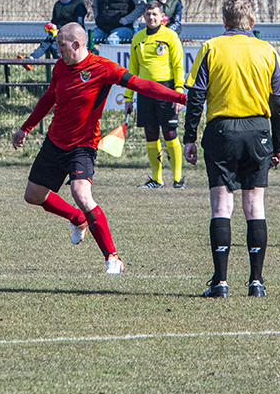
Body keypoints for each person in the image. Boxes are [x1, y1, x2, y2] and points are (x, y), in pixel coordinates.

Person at [12, 23, 187, 274]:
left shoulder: (103, 68)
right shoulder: (61, 66)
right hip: (54, 142)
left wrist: (181, 97)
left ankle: (113, 258)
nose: (58, 50)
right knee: (33, 196)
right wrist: (25, 128)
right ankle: (78, 219)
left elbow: (140, 84)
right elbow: (49, 97)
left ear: (76, 44)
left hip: (83, 145)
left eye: (61, 45)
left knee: (81, 195)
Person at [183, 0, 280, 298]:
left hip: (222, 132)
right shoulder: (267, 50)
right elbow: (279, 104)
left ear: (224, 21)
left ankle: (220, 282)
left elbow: (196, 96)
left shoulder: (211, 48)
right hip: (258, 131)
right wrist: (277, 145)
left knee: (222, 206)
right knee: (254, 206)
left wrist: (189, 137)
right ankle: (256, 282)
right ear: (252, 22)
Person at [124, 0, 185, 189]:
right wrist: (128, 97)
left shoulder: (171, 36)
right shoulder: (138, 38)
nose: (151, 17)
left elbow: (178, 66)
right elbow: (132, 69)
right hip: (144, 90)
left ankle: (178, 179)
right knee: (150, 133)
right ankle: (157, 179)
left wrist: (179, 92)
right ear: (144, 15)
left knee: (169, 132)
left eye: (155, 14)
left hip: (166, 90)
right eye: (148, 14)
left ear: (162, 17)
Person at [22, 0, 87, 67]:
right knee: (45, 43)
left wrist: (65, 32)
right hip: (57, 32)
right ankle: (31, 59)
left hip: (70, 33)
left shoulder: (79, 5)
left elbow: (78, 23)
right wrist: (51, 26)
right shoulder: (58, 4)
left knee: (55, 46)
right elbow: (54, 20)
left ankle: (62, 64)